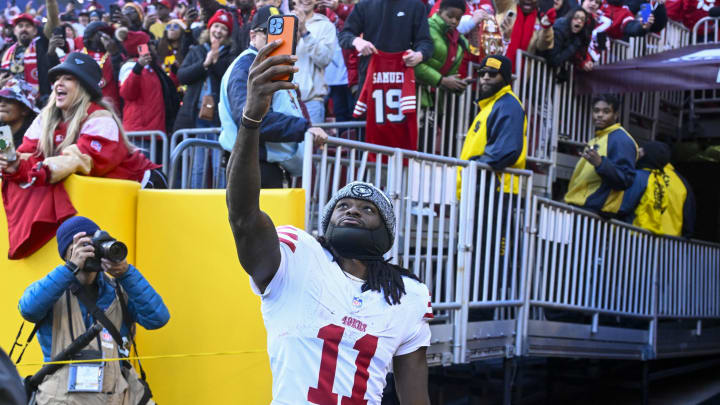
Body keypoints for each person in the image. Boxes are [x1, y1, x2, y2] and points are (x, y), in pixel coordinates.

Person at [226, 41, 433, 404]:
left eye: (367, 209)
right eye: (343, 206)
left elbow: (416, 397)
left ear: (386, 234)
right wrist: (251, 121)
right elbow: (243, 217)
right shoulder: (297, 255)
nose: (352, 211)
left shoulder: (407, 294)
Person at [0, 53, 164, 258]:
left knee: (152, 257)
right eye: (57, 78)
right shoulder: (45, 119)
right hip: (105, 201)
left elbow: (82, 159)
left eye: (68, 78)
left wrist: (42, 170)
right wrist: (14, 164)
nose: (59, 83)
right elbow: (28, 154)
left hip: (145, 188)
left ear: (85, 87)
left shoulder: (100, 117)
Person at [18, 216, 169, 404]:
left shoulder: (119, 291)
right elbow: (28, 309)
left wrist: (127, 273)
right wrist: (70, 268)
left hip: (116, 396)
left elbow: (158, 318)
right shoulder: (53, 290)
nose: (92, 251)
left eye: (96, 244)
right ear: (67, 253)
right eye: (84, 245)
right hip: (62, 397)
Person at [219, 6, 327, 188]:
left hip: (267, 167)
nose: (277, 40)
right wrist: (304, 128)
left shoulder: (268, 66)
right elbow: (250, 119)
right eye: (269, 33)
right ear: (253, 36)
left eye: (282, 33)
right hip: (254, 168)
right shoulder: (247, 67)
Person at [175, 9, 235, 188]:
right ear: (209, 29)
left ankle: (220, 201)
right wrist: (204, 64)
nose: (218, 31)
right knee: (198, 165)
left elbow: (230, 80)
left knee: (219, 164)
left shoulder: (231, 55)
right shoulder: (197, 51)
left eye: (224, 28)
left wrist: (215, 63)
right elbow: (182, 76)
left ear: (228, 34)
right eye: (216, 26)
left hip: (219, 118)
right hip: (197, 116)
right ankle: (195, 197)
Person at [458, 55, 526, 194]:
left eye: (493, 73)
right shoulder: (491, 106)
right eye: (482, 73)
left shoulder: (508, 105)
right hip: (481, 187)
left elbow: (505, 150)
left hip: (494, 190)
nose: (486, 77)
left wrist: (473, 167)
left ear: (505, 78)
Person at [338, 0, 434, 94]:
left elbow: (425, 42)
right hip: (371, 76)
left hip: (403, 76)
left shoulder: (416, 5)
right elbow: (344, 35)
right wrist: (356, 41)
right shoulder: (364, 4)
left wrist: (419, 54)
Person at [564, 94, 638, 216]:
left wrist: (601, 164)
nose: (599, 115)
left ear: (616, 115)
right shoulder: (596, 140)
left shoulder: (621, 139)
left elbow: (625, 179)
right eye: (596, 110)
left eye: (606, 111)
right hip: (580, 208)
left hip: (594, 213)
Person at [119, 40, 180, 137]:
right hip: (140, 132)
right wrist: (138, 67)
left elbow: (165, 89)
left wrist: (174, 73)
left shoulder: (154, 69)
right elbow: (127, 93)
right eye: (151, 47)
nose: (155, 50)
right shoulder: (130, 66)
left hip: (158, 131)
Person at [1, 4, 60, 102]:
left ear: (35, 31)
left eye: (28, 26)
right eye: (20, 26)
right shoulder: (6, 52)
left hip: (38, 101)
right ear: (15, 31)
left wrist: (50, 2)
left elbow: (53, 20)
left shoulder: (42, 45)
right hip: (12, 101)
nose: (24, 29)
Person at [415, 0, 470, 104]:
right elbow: (414, 64)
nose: (454, 21)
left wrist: (458, 85)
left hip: (436, 102)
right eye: (450, 16)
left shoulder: (460, 41)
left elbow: (450, 76)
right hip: (416, 97)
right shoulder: (425, 29)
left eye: (458, 19)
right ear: (439, 12)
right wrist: (442, 80)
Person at [292, 0, 337, 124]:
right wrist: (295, 33)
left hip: (311, 101)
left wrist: (305, 33)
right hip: (285, 100)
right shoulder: (283, 21)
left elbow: (324, 59)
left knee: (311, 143)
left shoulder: (325, 26)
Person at [78, 21, 126, 113]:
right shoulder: (78, 55)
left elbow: (122, 78)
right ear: (91, 36)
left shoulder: (116, 55)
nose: (105, 36)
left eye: (108, 34)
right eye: (101, 33)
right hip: (85, 109)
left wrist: (115, 54)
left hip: (112, 109)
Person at [496, 0, 556, 70]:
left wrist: (547, 27)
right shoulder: (507, 6)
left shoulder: (539, 21)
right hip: (495, 66)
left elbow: (542, 46)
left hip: (520, 75)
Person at [0, 78, 39, 148]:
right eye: (0, 100)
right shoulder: (2, 131)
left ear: (25, 110)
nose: (2, 104)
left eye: (9, 100)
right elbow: (6, 154)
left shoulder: (35, 135)